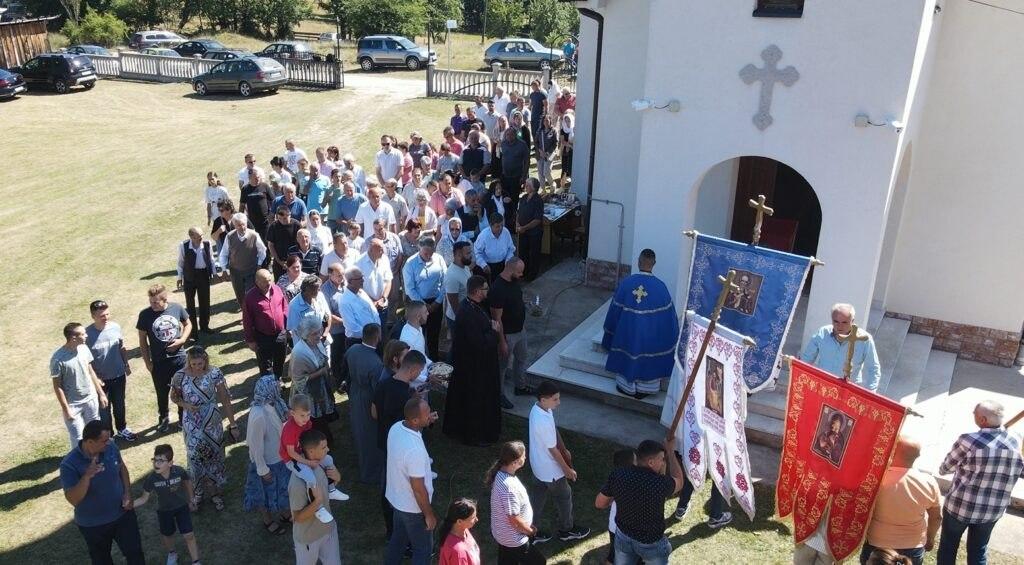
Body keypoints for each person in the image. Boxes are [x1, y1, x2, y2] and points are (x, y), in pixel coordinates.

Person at [936, 400, 1024, 565]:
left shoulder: (968, 440)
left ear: (983, 420)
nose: (973, 415)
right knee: (978, 550)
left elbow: (945, 469)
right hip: (992, 510)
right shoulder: (1017, 440)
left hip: (960, 506)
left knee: (948, 547)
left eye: (974, 413)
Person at [60, 420, 145, 565]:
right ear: (90, 442)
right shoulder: (69, 464)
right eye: (104, 441)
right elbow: (73, 499)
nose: (109, 443)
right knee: (101, 560)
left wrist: (127, 493)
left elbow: (122, 468)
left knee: (135, 554)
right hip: (94, 525)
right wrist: (87, 476)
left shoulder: (111, 447)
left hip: (123, 515)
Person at [601, 249, 679, 399]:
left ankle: (626, 387)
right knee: (649, 352)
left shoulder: (626, 283)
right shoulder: (661, 287)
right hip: (650, 341)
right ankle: (647, 388)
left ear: (638, 262)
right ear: (654, 263)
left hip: (628, 337)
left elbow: (614, 313)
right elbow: (669, 321)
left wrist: (611, 333)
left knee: (629, 351)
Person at [595, 439, 684, 565]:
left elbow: (599, 503)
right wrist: (670, 451)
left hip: (623, 536)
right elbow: (679, 480)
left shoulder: (619, 474)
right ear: (651, 462)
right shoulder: (660, 484)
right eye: (662, 459)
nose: (664, 462)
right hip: (651, 543)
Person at [170, 347, 236, 511]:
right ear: (189, 362)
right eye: (193, 364)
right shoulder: (180, 376)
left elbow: (225, 398)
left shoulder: (214, 373)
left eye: (200, 363)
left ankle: (215, 493)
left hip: (212, 421)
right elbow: (174, 397)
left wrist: (233, 424)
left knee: (214, 456)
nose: (197, 367)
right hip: (192, 423)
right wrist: (185, 405)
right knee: (194, 457)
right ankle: (198, 492)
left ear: (205, 361)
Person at [859, 436, 941, 565]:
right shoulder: (929, 482)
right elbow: (936, 517)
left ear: (893, 452)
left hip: (877, 545)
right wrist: (930, 539)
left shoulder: (876, 479)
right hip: (913, 546)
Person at [443, 275, 502, 446]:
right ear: (477, 291)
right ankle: (474, 435)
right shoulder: (467, 313)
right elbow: (478, 343)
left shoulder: (473, 307)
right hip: (472, 368)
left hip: (477, 364)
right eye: (485, 288)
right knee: (474, 401)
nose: (487, 291)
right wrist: (494, 332)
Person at [528, 381, 590, 542]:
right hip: (551, 471)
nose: (559, 402)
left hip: (538, 467)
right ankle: (566, 529)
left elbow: (554, 432)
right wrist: (567, 470)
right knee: (564, 496)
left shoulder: (538, 409)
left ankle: (530, 531)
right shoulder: (542, 420)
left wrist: (564, 449)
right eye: (555, 399)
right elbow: (553, 450)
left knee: (536, 499)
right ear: (543, 399)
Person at [373, 350, 425, 540]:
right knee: (401, 490)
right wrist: (426, 419)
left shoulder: (383, 383)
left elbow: (374, 413)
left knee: (387, 484)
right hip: (401, 449)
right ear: (413, 369)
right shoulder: (405, 396)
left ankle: (391, 529)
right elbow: (411, 425)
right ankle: (398, 533)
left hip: (384, 441)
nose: (419, 375)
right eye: (419, 371)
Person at [385, 397, 438, 565]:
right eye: (427, 413)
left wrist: (426, 421)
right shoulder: (414, 450)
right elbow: (418, 488)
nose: (430, 414)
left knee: (398, 541)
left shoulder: (396, 427)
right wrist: (428, 515)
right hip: (413, 508)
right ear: (415, 420)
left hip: (397, 499)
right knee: (423, 549)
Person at [132, 444, 201, 565]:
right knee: (167, 535)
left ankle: (196, 561)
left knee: (189, 535)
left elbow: (187, 481)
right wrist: (129, 505)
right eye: (154, 460)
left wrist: (191, 499)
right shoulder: (152, 478)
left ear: (170, 463)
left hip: (182, 507)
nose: (156, 463)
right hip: (164, 511)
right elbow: (143, 498)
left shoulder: (179, 471)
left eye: (160, 461)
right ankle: (172, 553)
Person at [137, 284, 191, 433]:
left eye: (156, 302)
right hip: (159, 362)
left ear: (165, 299)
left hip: (179, 359)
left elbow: (188, 324)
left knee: (181, 390)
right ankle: (164, 418)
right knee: (161, 393)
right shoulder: (145, 315)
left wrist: (182, 340)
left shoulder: (176, 308)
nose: (152, 305)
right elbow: (142, 340)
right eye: (151, 302)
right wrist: (147, 362)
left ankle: (182, 418)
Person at [243, 374, 292, 536]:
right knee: (264, 494)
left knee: (282, 490)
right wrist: (263, 470)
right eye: (276, 386)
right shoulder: (259, 415)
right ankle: (268, 520)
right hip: (267, 463)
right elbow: (255, 446)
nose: (279, 387)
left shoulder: (276, 403)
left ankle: (284, 513)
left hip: (280, 458)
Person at [279, 394, 347, 508]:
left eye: (308, 414)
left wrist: (315, 451)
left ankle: (331, 490)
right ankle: (317, 507)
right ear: (292, 413)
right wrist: (309, 462)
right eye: (302, 415)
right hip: (291, 459)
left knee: (328, 459)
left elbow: (308, 439)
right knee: (310, 478)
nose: (306, 419)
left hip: (302, 452)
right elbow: (291, 453)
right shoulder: (289, 430)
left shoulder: (306, 422)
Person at [487, 440, 548, 564]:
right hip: (513, 539)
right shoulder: (509, 487)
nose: (525, 458)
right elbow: (514, 519)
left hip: (503, 535)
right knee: (539, 562)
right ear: (515, 462)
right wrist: (529, 531)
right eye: (523, 456)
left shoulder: (500, 474)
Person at [288, 429, 342, 565]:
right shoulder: (297, 483)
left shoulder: (321, 464)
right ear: (311, 452)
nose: (328, 449)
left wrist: (337, 478)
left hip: (329, 530)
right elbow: (298, 517)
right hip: (308, 539)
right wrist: (317, 502)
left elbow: (327, 490)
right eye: (323, 447)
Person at [800, 303, 882, 391]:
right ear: (832, 320)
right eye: (836, 322)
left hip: (849, 390)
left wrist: (869, 394)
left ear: (852, 321)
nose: (840, 326)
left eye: (844, 322)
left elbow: (874, 369)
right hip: (823, 387)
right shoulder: (822, 333)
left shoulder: (864, 339)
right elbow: (806, 360)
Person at [341, 323, 385, 484]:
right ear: (377, 337)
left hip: (355, 392)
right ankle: (371, 472)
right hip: (367, 398)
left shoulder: (353, 349)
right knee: (369, 434)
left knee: (359, 429)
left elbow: (344, 369)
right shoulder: (376, 363)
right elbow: (377, 390)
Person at [52, 322, 109, 448]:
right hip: (73, 405)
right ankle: (81, 459)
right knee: (78, 439)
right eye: (83, 334)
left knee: (95, 434)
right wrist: (66, 409)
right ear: (73, 338)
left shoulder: (84, 348)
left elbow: (90, 371)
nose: (86, 335)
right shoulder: (58, 359)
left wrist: (101, 394)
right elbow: (57, 386)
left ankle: (96, 455)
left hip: (91, 399)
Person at [86, 301, 134, 442]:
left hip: (118, 375)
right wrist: (95, 378)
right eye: (102, 315)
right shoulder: (87, 335)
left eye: (107, 314)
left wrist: (126, 364)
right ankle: (108, 435)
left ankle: (122, 428)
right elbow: (86, 361)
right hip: (101, 380)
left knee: (119, 405)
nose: (106, 318)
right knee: (104, 410)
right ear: (93, 316)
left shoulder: (115, 327)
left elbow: (121, 347)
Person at [290, 317, 339, 445]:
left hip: (320, 386)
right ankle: (317, 442)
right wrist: (320, 372)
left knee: (323, 415)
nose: (318, 335)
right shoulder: (299, 353)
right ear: (306, 335)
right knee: (315, 419)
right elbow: (298, 380)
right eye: (314, 333)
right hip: (309, 393)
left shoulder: (316, 343)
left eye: (319, 331)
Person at [490, 258, 532, 405]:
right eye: (519, 272)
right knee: (502, 366)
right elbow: (497, 318)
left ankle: (520, 386)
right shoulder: (498, 288)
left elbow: (515, 300)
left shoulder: (514, 281)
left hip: (520, 330)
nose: (521, 275)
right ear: (510, 269)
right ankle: (499, 395)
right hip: (507, 334)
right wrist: (502, 342)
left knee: (522, 358)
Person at [402, 236, 448, 359]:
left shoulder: (439, 259)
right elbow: (410, 289)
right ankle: (419, 359)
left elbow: (445, 281)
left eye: (431, 253)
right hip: (418, 303)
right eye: (425, 253)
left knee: (434, 333)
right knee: (418, 334)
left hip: (436, 302)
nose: (428, 256)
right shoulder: (410, 264)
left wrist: (438, 301)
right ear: (419, 248)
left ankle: (434, 359)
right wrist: (423, 305)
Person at [243, 269, 289, 379]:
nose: (268, 283)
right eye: (264, 281)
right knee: (265, 367)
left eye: (269, 280)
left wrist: (288, 327)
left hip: (280, 334)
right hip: (262, 337)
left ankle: (278, 381)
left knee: (280, 361)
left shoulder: (277, 289)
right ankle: (268, 386)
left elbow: (285, 308)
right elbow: (247, 321)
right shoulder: (250, 297)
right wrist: (250, 340)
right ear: (257, 282)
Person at [218, 212, 268, 306]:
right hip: (236, 272)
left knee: (252, 294)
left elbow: (262, 251)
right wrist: (224, 270)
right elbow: (223, 254)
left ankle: (253, 312)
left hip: (251, 271)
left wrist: (259, 265)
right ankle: (244, 312)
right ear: (234, 226)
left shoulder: (254, 235)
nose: (242, 227)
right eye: (239, 225)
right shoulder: (229, 237)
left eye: (243, 224)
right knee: (240, 297)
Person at [176, 227, 215, 335]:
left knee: (205, 302)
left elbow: (211, 260)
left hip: (203, 275)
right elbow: (180, 262)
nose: (201, 238)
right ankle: (192, 330)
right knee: (190, 304)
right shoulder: (183, 246)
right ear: (191, 237)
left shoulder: (207, 244)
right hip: (189, 277)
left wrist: (214, 274)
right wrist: (179, 278)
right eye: (199, 236)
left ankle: (204, 326)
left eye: (202, 235)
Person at [605, 449, 638, 565]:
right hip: (627, 529)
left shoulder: (614, 480)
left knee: (613, 554)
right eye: (635, 460)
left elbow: (605, 501)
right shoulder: (638, 481)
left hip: (615, 526)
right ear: (631, 464)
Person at [339, 266, 382, 348]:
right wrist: (371, 335)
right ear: (350, 281)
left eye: (362, 277)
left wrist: (377, 330)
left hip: (374, 337)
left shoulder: (362, 293)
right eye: (359, 278)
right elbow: (352, 328)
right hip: (359, 342)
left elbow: (374, 312)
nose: (363, 280)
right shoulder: (345, 301)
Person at [444, 241, 474, 357]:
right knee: (458, 349)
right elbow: (454, 304)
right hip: (457, 318)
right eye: (468, 253)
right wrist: (464, 321)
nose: (471, 255)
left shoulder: (465, 267)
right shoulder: (452, 275)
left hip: (466, 314)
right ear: (458, 254)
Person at [357, 239, 394, 327]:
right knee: (370, 332)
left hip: (382, 305)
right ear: (371, 250)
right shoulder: (358, 263)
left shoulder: (384, 259)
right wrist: (372, 301)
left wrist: (383, 298)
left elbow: (388, 280)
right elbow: (357, 287)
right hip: (366, 308)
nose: (383, 252)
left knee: (383, 330)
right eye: (380, 249)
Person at [286, 275, 332, 342]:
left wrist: (325, 333)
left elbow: (328, 316)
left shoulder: (320, 296)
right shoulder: (294, 305)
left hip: (323, 341)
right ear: (308, 290)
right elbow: (295, 330)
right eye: (317, 289)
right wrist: (312, 341)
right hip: (305, 345)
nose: (320, 290)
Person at [516, 178, 545, 280]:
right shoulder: (524, 197)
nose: (526, 186)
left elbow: (537, 220)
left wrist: (524, 227)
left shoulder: (538, 200)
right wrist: (517, 223)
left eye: (528, 185)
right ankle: (523, 272)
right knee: (522, 253)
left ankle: (532, 275)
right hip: (523, 231)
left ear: (534, 188)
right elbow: (518, 212)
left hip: (534, 232)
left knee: (533, 254)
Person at [400, 301, 433, 389]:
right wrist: (426, 379)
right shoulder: (407, 339)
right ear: (418, 316)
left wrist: (431, 364)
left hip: (423, 376)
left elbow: (421, 353)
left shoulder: (418, 328)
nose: (428, 313)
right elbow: (407, 367)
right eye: (425, 312)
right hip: (415, 385)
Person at [439, 498, 481, 565]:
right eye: (473, 518)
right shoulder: (458, 553)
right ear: (459, 521)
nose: (477, 519)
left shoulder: (464, 531)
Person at [475, 213, 516, 281]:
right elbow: (477, 252)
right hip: (488, 266)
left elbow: (511, 249)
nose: (501, 228)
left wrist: (508, 261)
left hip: (504, 264)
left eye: (502, 225)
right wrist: (483, 265)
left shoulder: (506, 232)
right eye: (497, 226)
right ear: (490, 225)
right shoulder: (483, 235)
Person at [239, 170, 275, 239]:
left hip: (265, 221)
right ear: (249, 178)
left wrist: (272, 214)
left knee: (266, 240)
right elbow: (242, 205)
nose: (258, 179)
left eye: (258, 177)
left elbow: (273, 201)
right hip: (252, 222)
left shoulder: (264, 186)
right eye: (255, 178)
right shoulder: (245, 189)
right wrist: (241, 218)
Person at [267, 206, 301, 280]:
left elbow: (300, 243)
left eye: (285, 218)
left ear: (290, 215)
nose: (282, 221)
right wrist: (279, 261)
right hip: (279, 262)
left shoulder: (296, 225)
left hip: (294, 261)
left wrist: (295, 261)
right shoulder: (273, 226)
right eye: (279, 218)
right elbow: (271, 245)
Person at [535, 116, 559, 191]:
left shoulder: (553, 131)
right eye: (544, 120)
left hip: (550, 154)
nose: (546, 122)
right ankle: (543, 190)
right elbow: (536, 142)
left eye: (547, 120)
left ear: (550, 121)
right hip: (540, 154)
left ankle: (552, 184)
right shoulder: (539, 131)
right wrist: (540, 151)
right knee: (540, 173)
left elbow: (555, 143)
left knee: (546, 172)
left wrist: (547, 152)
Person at [558, 113, 575, 188]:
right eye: (566, 121)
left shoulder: (574, 129)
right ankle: (562, 186)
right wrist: (570, 145)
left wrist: (570, 146)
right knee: (564, 169)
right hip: (565, 151)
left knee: (571, 169)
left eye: (569, 121)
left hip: (573, 152)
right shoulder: (563, 130)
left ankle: (573, 185)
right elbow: (563, 141)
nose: (567, 122)